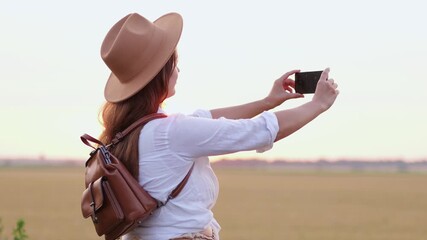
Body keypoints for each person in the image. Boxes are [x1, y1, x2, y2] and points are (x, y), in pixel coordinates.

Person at [97, 12, 339, 240]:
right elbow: (259, 131)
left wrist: (268, 101)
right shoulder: (170, 132)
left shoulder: (127, 132)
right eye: (173, 63)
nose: (178, 70)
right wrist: (318, 104)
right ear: (159, 73)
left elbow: (206, 118)